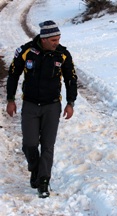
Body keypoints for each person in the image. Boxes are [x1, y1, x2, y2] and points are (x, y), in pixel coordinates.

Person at [6, 20, 78, 198]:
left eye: (59, 39)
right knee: (29, 144)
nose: (57, 43)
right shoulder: (26, 51)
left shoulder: (63, 55)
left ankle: (43, 181)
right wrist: (10, 99)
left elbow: (71, 79)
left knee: (47, 145)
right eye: (53, 40)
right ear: (44, 39)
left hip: (52, 106)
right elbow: (13, 75)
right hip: (30, 105)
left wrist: (70, 102)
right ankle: (35, 170)